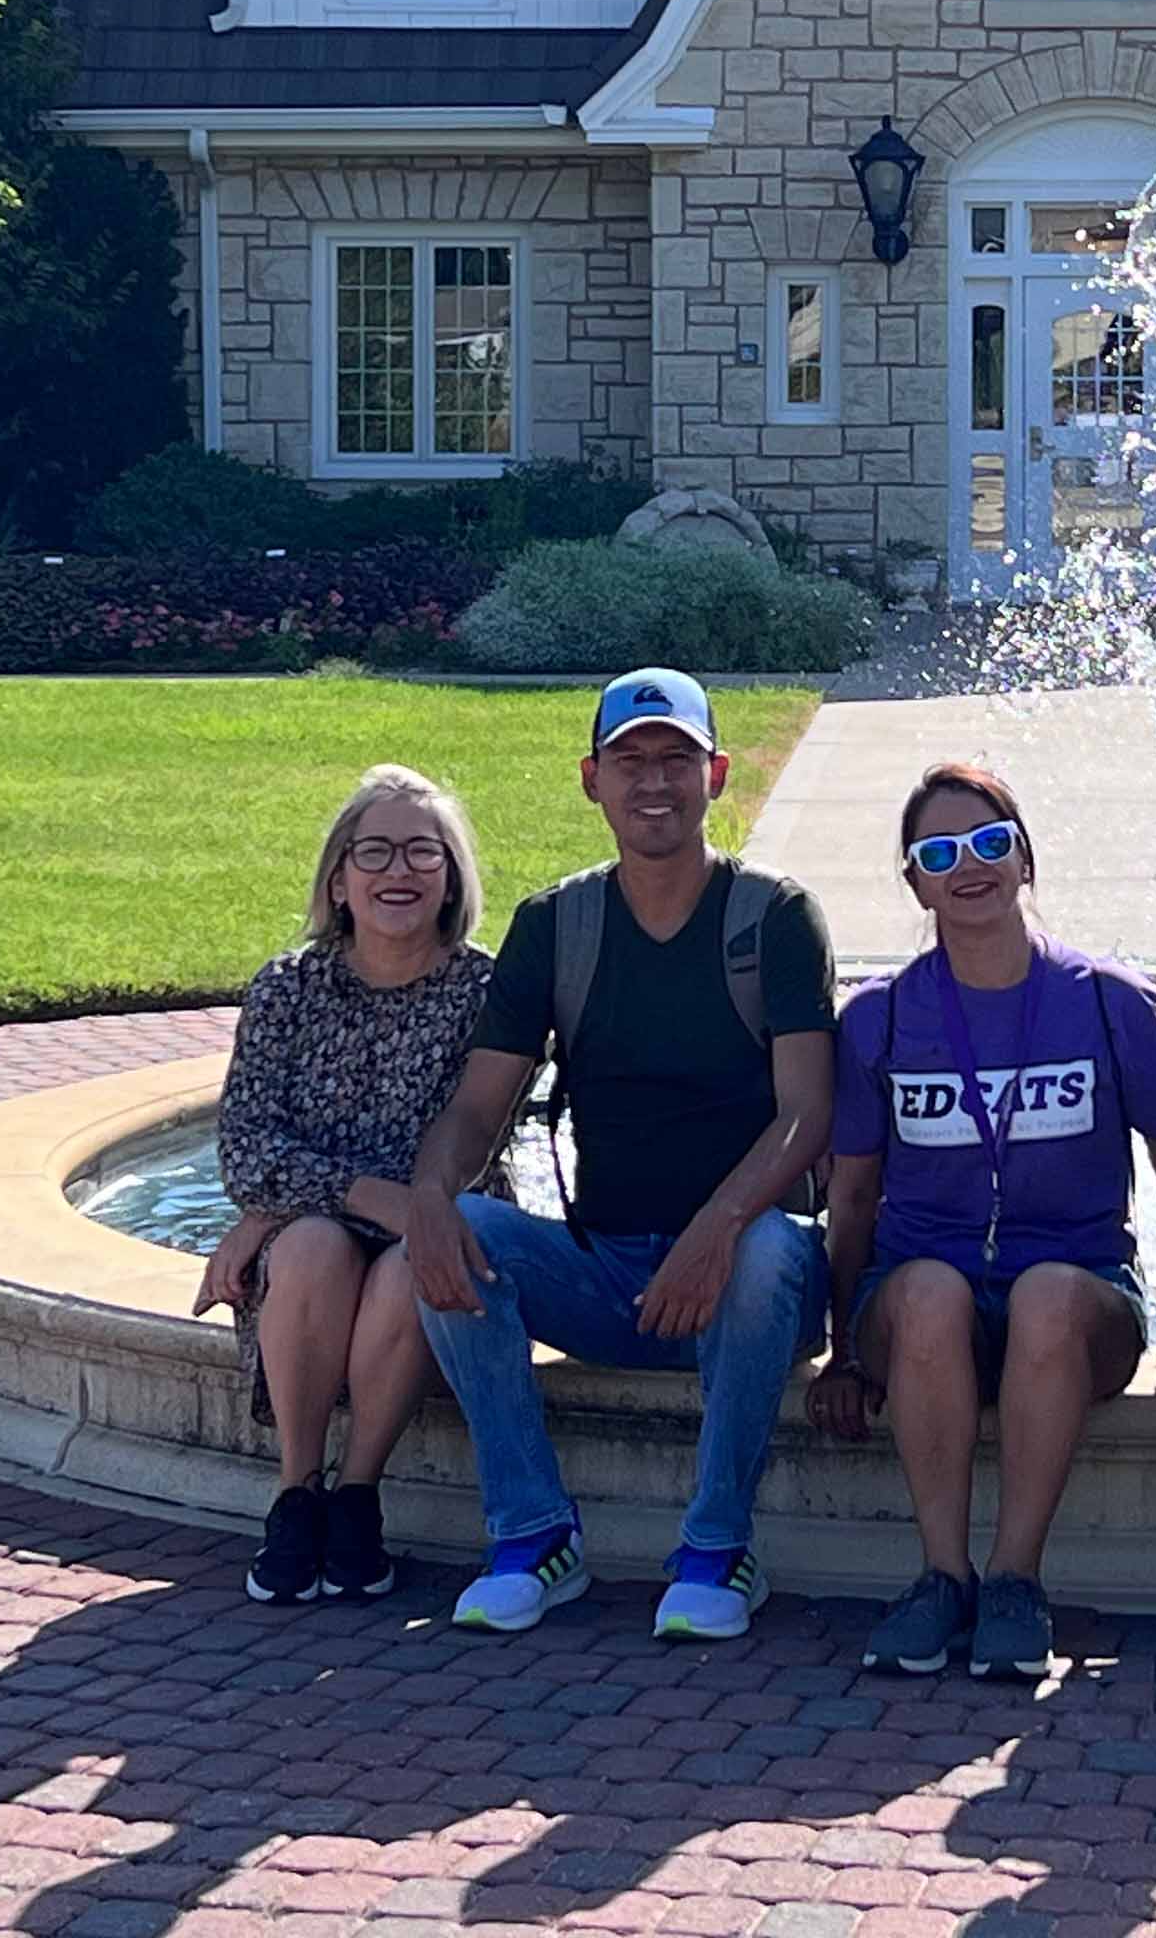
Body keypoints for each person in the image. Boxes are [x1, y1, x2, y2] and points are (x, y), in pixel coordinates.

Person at [402, 667, 834, 1642]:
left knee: (770, 1247)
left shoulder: (773, 917)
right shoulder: (557, 925)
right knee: (459, 1231)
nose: (654, 782)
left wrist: (716, 1229)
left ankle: (721, 1548)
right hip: (611, 1276)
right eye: (630, 760)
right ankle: (533, 1536)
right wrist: (429, 1192)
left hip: (748, 1285)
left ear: (717, 774)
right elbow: (480, 1106)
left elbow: (810, 1115)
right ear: (590, 779)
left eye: (676, 759)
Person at [807, 764, 1156, 1681]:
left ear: (1024, 855)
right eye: (939, 852)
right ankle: (944, 1577)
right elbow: (853, 1197)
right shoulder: (881, 1019)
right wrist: (845, 1348)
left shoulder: (1110, 1002)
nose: (968, 865)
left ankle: (1017, 1580)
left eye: (989, 842)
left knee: (1050, 1295)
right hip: (921, 1302)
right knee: (932, 1291)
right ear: (913, 881)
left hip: (1077, 1296)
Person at [192, 765, 494, 1609]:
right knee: (319, 1249)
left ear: (451, 876)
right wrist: (356, 1196)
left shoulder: (486, 991)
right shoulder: (287, 987)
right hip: (319, 1232)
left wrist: (271, 1212)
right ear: (339, 876)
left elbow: (480, 1139)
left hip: (430, 1226)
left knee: (412, 1262)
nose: (398, 872)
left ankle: (357, 1493)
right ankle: (298, 1493)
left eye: (422, 853)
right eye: (375, 852)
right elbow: (244, 1149)